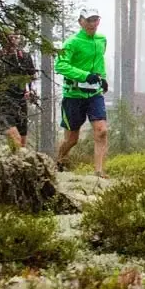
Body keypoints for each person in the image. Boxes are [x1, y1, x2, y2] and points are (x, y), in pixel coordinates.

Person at [55, 9, 110, 177]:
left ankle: (98, 172)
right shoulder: (72, 42)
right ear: (81, 22)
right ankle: (59, 162)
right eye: (89, 20)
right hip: (74, 95)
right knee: (72, 139)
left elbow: (100, 61)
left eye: (95, 20)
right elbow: (60, 65)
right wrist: (85, 76)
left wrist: (103, 78)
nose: (93, 24)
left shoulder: (102, 39)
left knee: (101, 131)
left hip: (94, 94)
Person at [0, 33, 37, 148]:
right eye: (10, 37)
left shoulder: (24, 56)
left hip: (21, 101)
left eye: (16, 37)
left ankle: (17, 164)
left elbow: (32, 77)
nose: (13, 40)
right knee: (16, 139)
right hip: (3, 102)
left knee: (22, 142)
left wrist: (32, 90)